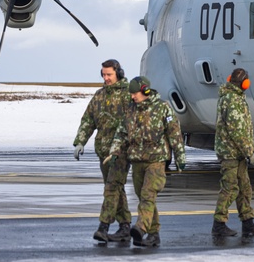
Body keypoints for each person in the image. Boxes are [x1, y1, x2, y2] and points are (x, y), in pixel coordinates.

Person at [107, 76, 186, 248]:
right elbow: (121, 133)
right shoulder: (130, 110)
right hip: (137, 160)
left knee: (148, 195)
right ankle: (154, 234)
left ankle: (141, 227)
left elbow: (175, 134)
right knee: (144, 198)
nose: (133, 97)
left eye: (135, 93)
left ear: (145, 91)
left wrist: (180, 157)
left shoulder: (163, 109)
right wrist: (114, 151)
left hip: (156, 160)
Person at [73, 59, 132, 243]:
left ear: (118, 74)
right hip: (103, 152)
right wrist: (80, 141)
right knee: (116, 188)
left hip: (121, 152)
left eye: (109, 75)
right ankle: (125, 226)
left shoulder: (128, 95)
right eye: (104, 75)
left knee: (111, 188)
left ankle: (103, 226)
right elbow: (88, 120)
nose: (106, 78)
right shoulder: (99, 96)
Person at [212, 68, 254, 238]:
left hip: (236, 153)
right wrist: (249, 151)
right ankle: (219, 224)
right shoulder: (233, 100)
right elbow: (237, 131)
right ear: (244, 83)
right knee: (230, 189)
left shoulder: (233, 97)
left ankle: (248, 222)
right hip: (231, 153)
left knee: (244, 188)